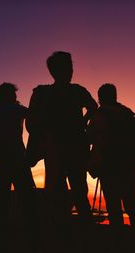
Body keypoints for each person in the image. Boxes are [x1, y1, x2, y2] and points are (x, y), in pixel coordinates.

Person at [26, 51, 98, 224]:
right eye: (69, 67)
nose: (71, 71)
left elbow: (31, 123)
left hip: (59, 150)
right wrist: (84, 123)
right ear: (58, 70)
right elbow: (94, 108)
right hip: (68, 149)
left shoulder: (42, 93)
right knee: (77, 192)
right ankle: (78, 232)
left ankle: (66, 232)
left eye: (71, 67)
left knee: (65, 193)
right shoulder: (76, 91)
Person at [87, 83, 135, 229]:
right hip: (128, 165)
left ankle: (118, 241)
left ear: (100, 98)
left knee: (113, 207)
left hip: (108, 166)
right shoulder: (127, 112)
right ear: (115, 95)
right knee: (131, 203)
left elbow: (90, 138)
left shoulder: (99, 115)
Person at [0, 82, 37, 230]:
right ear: (10, 96)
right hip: (17, 159)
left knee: (1, 199)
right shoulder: (16, 109)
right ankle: (32, 231)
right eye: (14, 95)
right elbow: (35, 115)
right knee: (26, 196)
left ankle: (0, 234)